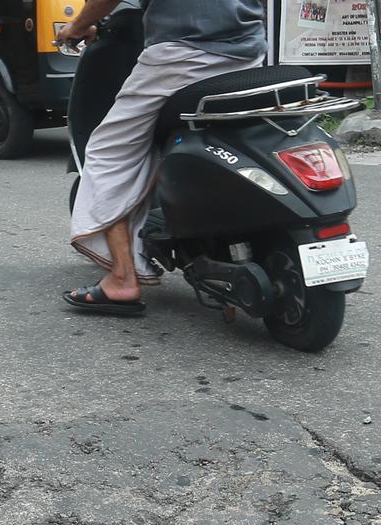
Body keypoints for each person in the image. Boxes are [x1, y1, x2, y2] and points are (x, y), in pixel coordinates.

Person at [59, 0, 266, 315]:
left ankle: (122, 278)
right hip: (249, 50)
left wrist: (76, 26)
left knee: (106, 152)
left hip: (183, 55)